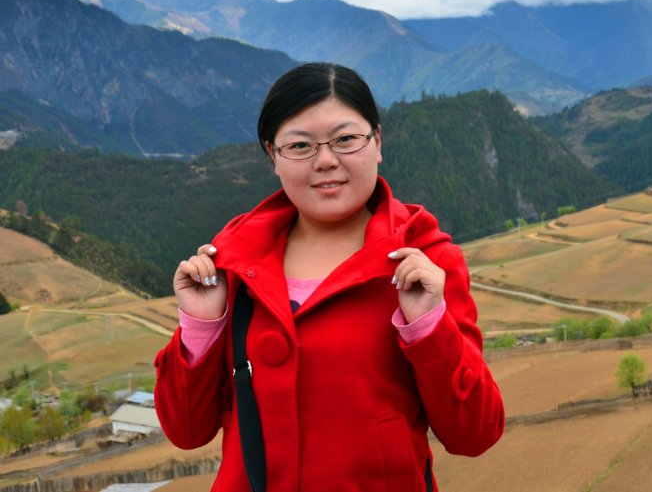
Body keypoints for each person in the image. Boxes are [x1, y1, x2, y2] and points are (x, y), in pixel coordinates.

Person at [154, 63, 505, 492]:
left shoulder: (425, 264)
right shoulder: (232, 265)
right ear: (273, 157)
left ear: (378, 142)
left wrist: (429, 326)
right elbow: (186, 431)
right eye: (300, 146)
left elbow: (475, 433)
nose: (325, 161)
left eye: (346, 139)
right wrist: (201, 326)